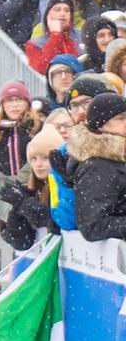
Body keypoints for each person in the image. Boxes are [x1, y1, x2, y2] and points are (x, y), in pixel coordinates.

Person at [0, 127, 62, 251]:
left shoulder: (65, 186)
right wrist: (16, 211)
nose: (38, 164)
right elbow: (22, 242)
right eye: (34, 159)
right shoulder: (29, 189)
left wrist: (23, 203)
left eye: (45, 158)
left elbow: (55, 220)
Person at [71, 92, 126, 241]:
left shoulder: (117, 159)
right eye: (121, 118)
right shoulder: (98, 166)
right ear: (101, 125)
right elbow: (93, 225)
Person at [25, 0, 82, 73]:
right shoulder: (35, 44)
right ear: (46, 15)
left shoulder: (82, 37)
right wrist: (55, 36)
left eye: (67, 10)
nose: (63, 14)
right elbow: (41, 69)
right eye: (57, 10)